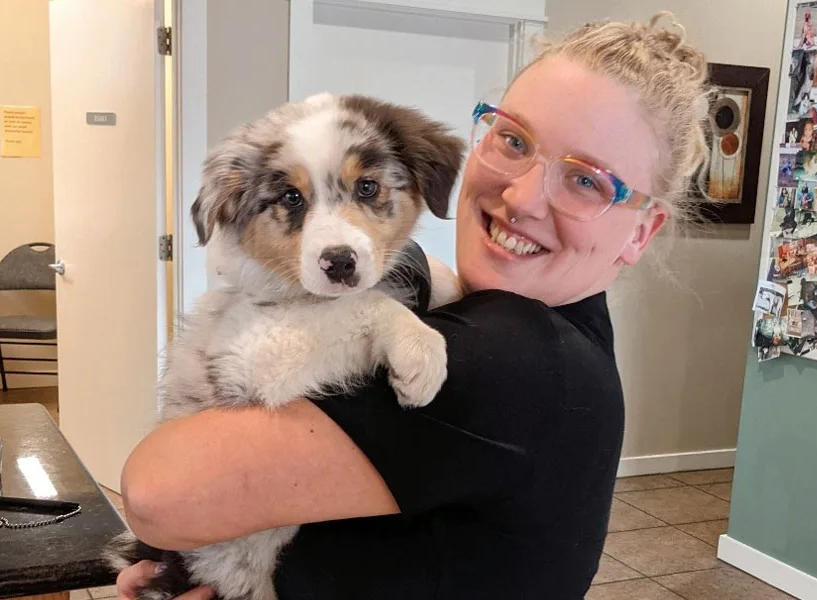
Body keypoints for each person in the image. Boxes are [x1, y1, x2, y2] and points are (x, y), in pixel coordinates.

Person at [116, 11, 710, 600]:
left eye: (588, 181)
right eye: (513, 140)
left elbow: (157, 493)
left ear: (641, 231)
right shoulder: (559, 343)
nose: (522, 197)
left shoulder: (518, 357)